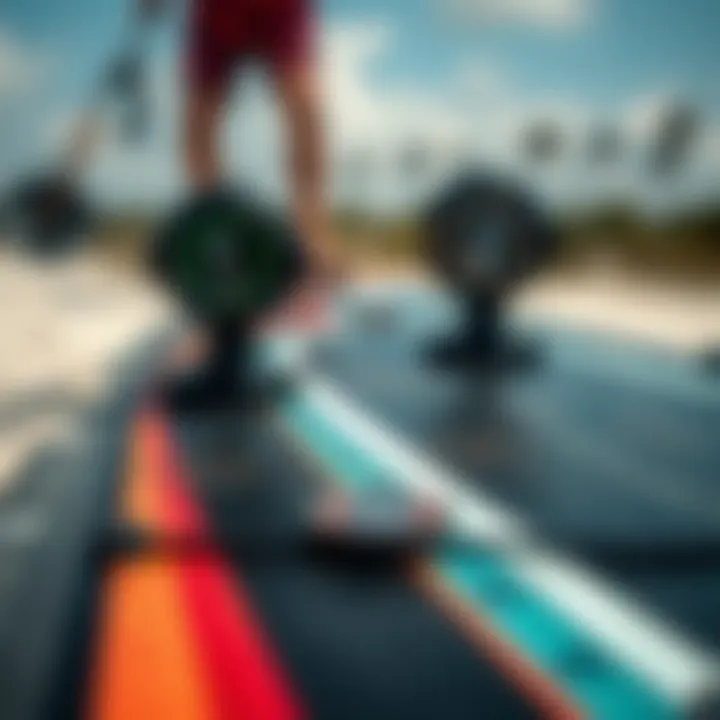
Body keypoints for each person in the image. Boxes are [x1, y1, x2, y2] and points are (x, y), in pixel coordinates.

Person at [140, 0, 340, 314]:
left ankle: (313, 242)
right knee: (199, 114)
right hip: (215, 11)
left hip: (281, 8)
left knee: (304, 101)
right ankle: (212, 233)